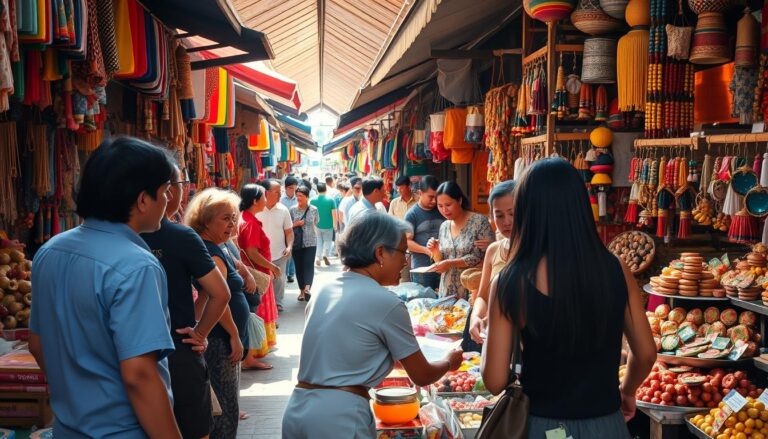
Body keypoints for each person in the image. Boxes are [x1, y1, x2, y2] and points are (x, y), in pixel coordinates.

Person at [481, 159, 656, 438]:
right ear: (581, 206)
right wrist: (627, 391)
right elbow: (646, 353)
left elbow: (494, 380)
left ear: (527, 210)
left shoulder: (510, 281)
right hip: (607, 423)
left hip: (542, 426)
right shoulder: (615, 269)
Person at [29, 137, 182, 437]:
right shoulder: (137, 266)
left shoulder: (50, 251)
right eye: (164, 192)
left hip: (68, 428)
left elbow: (37, 343)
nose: (167, 201)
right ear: (142, 200)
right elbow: (139, 375)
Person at [281, 212, 464, 439]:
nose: (405, 261)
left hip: (298, 410)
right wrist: (449, 361)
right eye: (402, 252)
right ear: (380, 253)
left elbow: (346, 347)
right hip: (339, 417)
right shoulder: (386, 302)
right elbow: (423, 375)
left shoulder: (324, 288)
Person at [141, 166, 233, 439]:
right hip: (177, 348)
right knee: (193, 429)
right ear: (167, 190)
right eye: (182, 183)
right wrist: (200, 333)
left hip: (127, 352)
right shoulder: (181, 236)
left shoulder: (119, 238)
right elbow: (221, 293)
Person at [185, 188, 251, 439]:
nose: (232, 224)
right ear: (205, 220)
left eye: (234, 217)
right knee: (224, 410)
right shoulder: (210, 250)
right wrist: (234, 334)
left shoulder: (216, 247)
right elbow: (216, 296)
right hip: (218, 340)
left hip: (218, 339)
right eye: (225, 218)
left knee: (223, 406)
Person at [466, 181, 516, 347]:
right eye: (499, 215)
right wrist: (476, 316)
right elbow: (483, 296)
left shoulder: (537, 253)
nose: (506, 222)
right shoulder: (493, 250)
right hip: (492, 337)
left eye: (512, 213)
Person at [427, 182, 494, 298]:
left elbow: (479, 257)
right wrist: (435, 250)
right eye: (440, 206)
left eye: (448, 205)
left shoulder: (479, 222)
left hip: (472, 290)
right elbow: (441, 261)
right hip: (447, 291)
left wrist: (450, 263)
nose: (444, 210)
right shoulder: (444, 226)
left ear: (460, 201)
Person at [240, 184, 281, 354]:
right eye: (263, 196)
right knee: (257, 310)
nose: (266, 199)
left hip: (254, 273)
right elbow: (252, 252)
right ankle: (253, 352)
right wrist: (272, 267)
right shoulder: (250, 223)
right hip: (257, 275)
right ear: (255, 200)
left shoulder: (246, 219)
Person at [257, 179, 293, 313]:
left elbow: (289, 232)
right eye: (277, 192)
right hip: (260, 255)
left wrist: (289, 246)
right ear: (266, 193)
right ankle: (265, 306)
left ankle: (278, 303)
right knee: (263, 281)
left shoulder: (283, 210)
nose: (279, 195)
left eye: (280, 192)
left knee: (279, 280)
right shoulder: (257, 209)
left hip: (279, 253)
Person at [405, 175, 445, 270]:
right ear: (420, 193)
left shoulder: (442, 210)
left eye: (436, 197)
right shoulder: (412, 214)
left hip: (443, 265)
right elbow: (406, 242)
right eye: (430, 197)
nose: (434, 201)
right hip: (421, 267)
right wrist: (427, 251)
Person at [290, 186, 319, 301]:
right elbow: (288, 226)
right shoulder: (292, 210)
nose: (298, 198)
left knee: (308, 264)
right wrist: (296, 224)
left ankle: (307, 288)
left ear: (307, 197)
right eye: (297, 195)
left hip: (311, 241)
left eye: (301, 196)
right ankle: (301, 290)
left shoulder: (314, 209)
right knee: (299, 267)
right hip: (297, 242)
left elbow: (316, 222)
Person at [311, 182, 336, 266]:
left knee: (318, 241)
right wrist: (335, 225)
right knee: (328, 241)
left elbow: (311, 214)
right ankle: (326, 255)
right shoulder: (331, 200)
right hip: (328, 225)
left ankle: (318, 257)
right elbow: (334, 214)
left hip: (317, 225)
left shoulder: (312, 200)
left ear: (317, 190)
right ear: (325, 189)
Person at [281, 177, 299, 284]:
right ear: (286, 188)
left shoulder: (299, 198)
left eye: (295, 188)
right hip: (283, 230)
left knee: (292, 252)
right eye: (291, 188)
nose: (293, 191)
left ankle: (291, 274)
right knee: (285, 252)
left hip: (296, 230)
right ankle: (284, 272)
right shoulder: (281, 200)